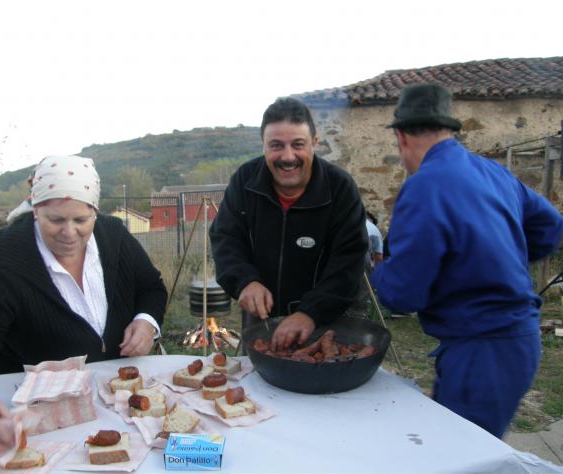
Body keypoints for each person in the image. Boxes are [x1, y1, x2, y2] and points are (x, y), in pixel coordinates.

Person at [0, 155, 168, 456]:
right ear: (35, 210)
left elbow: (151, 288)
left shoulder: (114, 237)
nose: (69, 232)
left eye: (81, 220)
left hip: (118, 409)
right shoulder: (2, 264)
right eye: (55, 220)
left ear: (95, 211)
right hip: (36, 424)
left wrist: (146, 320)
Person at [370, 83, 563, 438]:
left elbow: (403, 293)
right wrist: (502, 261)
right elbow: (550, 226)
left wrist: (375, 271)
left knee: (461, 453)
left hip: (481, 350)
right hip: (518, 341)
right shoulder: (493, 172)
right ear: (449, 130)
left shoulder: (424, 185)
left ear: (401, 137)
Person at [209, 97, 368, 351]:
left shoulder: (340, 188)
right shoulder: (244, 181)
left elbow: (349, 260)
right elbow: (225, 239)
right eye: (276, 145)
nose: (287, 156)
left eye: (298, 144)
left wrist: (310, 312)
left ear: (314, 142)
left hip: (325, 321)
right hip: (261, 321)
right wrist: (245, 281)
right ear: (263, 145)